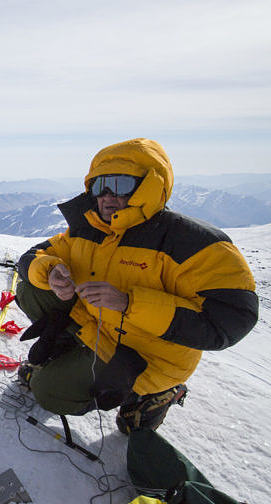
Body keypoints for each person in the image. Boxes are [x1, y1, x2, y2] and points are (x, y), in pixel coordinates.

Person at [15, 138, 258, 433]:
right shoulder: (90, 228)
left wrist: (130, 303)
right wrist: (49, 271)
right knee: (31, 288)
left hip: (149, 356)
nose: (106, 196)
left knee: (48, 392)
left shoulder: (193, 243)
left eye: (119, 184)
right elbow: (32, 258)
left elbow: (229, 321)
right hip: (97, 327)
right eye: (98, 186)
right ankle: (71, 353)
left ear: (149, 186)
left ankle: (154, 395)